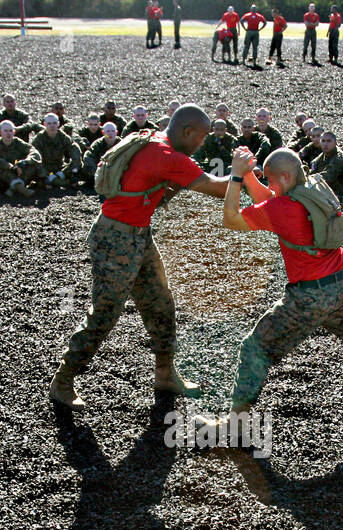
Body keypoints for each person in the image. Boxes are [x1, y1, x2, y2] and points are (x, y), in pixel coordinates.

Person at [199, 145, 343, 437]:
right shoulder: (311, 190)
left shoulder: (281, 208)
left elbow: (231, 219)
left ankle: (234, 426)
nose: (269, 185)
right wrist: (249, 177)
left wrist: (234, 177)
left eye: (271, 179)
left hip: (308, 297)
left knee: (254, 347)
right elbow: (271, 201)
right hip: (340, 285)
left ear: (284, 177)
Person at [49, 105, 233, 411]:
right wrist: (245, 175)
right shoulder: (167, 156)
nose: (202, 144)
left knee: (160, 302)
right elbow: (217, 188)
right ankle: (63, 380)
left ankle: (164, 374)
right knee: (105, 313)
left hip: (135, 234)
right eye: (200, 138)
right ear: (187, 132)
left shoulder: (153, 139)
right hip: (117, 238)